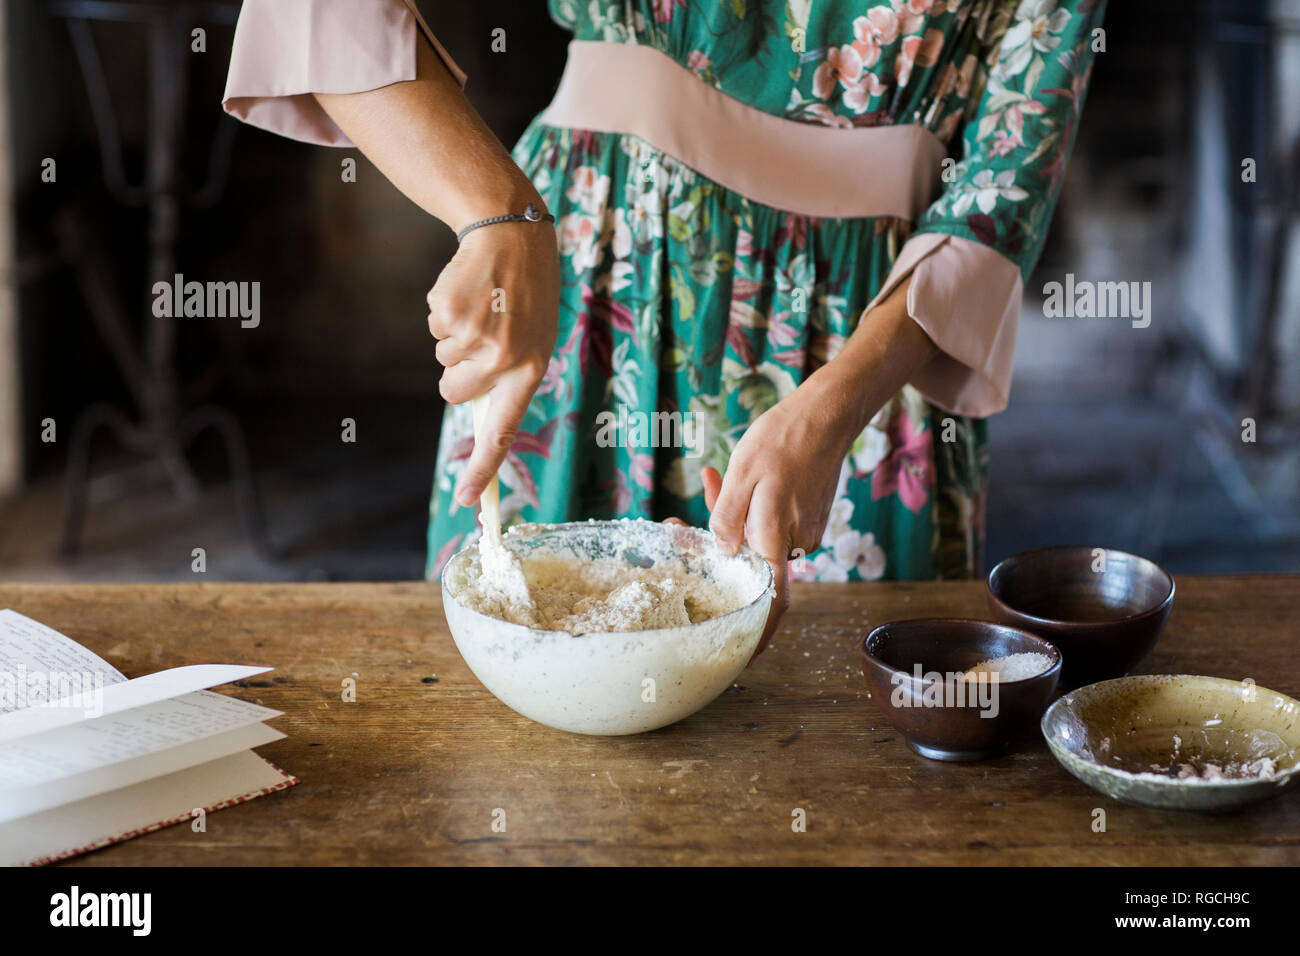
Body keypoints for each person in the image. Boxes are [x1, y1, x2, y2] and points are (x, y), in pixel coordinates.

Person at [224, 0, 1107, 654]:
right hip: (590, 273)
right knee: (520, 759)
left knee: (857, 745)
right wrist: (494, 214)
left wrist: (832, 410)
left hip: (869, 347)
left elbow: (1003, 189)